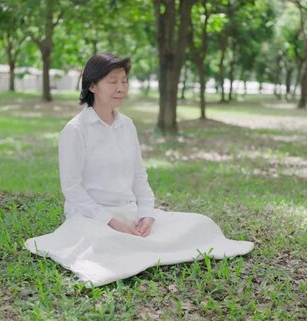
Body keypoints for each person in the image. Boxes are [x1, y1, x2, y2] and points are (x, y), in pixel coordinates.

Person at [25, 53, 253, 287]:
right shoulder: (75, 130)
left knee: (199, 223)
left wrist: (146, 214)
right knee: (106, 245)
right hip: (91, 217)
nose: (120, 88)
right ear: (92, 85)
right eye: (112, 81)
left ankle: (140, 242)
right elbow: (71, 188)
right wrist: (111, 221)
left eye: (124, 81)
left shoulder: (127, 125)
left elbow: (138, 176)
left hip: (128, 212)